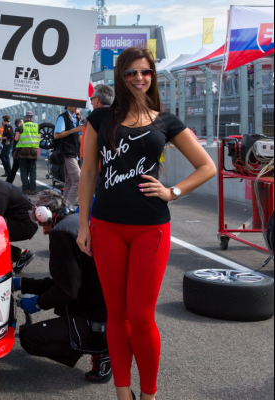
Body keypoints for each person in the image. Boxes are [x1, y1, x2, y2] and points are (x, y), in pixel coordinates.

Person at [77, 47, 216, 400]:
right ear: (120, 77)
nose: (140, 78)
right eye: (131, 73)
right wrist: (82, 225)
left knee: (140, 316)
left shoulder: (164, 121)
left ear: (152, 76)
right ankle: (124, 394)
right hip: (105, 226)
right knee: (116, 315)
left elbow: (207, 166)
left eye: (146, 72)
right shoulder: (100, 119)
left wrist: (173, 190)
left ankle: (149, 395)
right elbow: (89, 173)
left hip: (150, 228)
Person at [16, 190, 111, 384]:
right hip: (105, 311)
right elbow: (67, 281)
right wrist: (23, 284)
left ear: (48, 215)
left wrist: (37, 303)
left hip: (96, 321)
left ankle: (101, 351)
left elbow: (66, 291)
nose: (44, 231)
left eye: (43, 224)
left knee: (29, 338)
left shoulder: (61, 234)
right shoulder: (76, 220)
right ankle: (102, 343)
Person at [53, 106, 83, 203]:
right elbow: (56, 135)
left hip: (74, 152)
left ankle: (63, 206)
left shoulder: (77, 118)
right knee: (78, 181)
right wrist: (74, 130)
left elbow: (79, 137)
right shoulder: (63, 117)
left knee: (70, 182)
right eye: (74, 104)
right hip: (67, 152)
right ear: (67, 105)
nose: (76, 107)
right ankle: (67, 206)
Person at [82, 85, 114, 167]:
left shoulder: (94, 117)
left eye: (91, 99)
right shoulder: (122, 115)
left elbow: (87, 151)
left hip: (100, 168)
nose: (91, 102)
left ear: (97, 100)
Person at [15, 111, 40, 195]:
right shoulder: (37, 126)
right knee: (33, 170)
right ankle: (32, 189)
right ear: (32, 118)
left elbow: (16, 138)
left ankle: (25, 189)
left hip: (23, 151)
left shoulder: (21, 126)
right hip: (33, 151)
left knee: (23, 170)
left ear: (26, 118)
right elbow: (39, 138)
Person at [5, 118, 23, 183]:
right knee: (18, 168)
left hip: (16, 150)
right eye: (22, 122)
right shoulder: (19, 129)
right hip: (17, 151)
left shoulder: (17, 129)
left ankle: (8, 182)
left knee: (15, 168)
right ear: (19, 123)